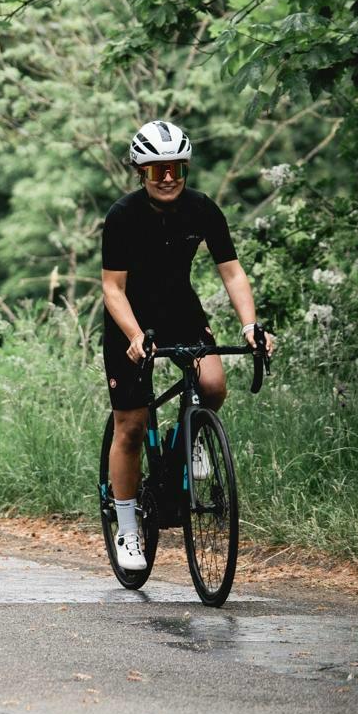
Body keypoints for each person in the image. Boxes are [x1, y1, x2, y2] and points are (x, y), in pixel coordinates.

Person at [101, 121, 277, 572]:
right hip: (130, 318)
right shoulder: (122, 215)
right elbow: (113, 289)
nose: (167, 178)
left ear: (185, 168)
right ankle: (128, 528)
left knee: (213, 386)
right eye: (156, 169)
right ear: (140, 172)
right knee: (132, 425)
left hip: (180, 311)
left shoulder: (202, 208)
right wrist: (135, 335)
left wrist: (250, 325)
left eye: (175, 168)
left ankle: (192, 436)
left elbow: (232, 272)